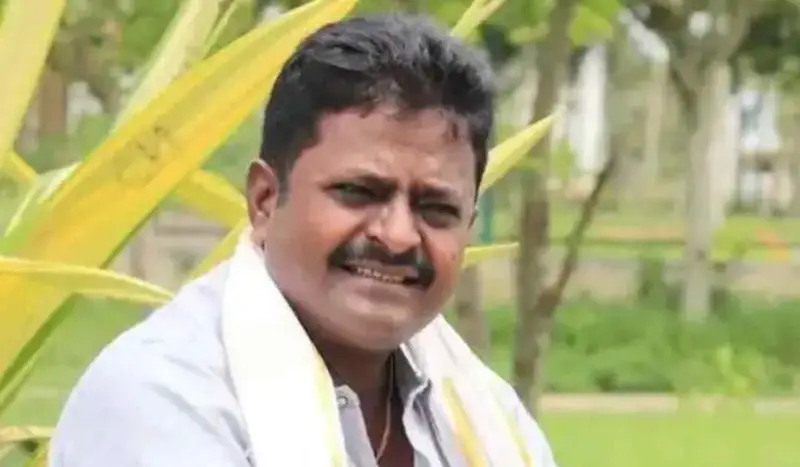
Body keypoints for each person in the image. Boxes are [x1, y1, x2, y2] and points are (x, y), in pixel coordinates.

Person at [48, 13, 559, 467]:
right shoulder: (161, 400)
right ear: (265, 200)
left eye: (436, 209)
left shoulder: (484, 414)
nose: (399, 236)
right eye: (359, 192)